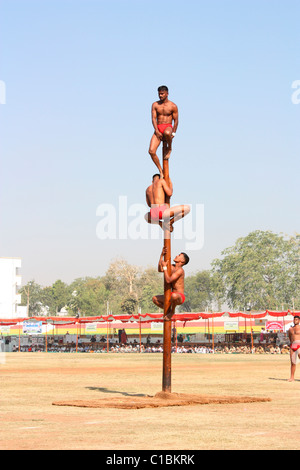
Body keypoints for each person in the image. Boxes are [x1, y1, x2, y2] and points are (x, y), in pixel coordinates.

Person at [148, 85, 178, 179]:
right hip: (158, 128)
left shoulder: (173, 106)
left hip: (168, 127)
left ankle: (170, 148)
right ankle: (160, 170)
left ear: (167, 94)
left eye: (162, 94)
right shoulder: (155, 105)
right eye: (159, 94)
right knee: (151, 151)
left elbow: (176, 120)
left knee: (168, 133)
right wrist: (156, 130)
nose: (160, 95)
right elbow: (153, 118)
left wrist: (174, 132)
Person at [152, 247, 189, 319]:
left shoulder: (180, 270)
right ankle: (167, 309)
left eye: (179, 255)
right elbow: (160, 269)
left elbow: (168, 280)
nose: (176, 256)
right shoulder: (171, 267)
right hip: (170, 296)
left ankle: (172, 311)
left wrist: (165, 267)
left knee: (174, 296)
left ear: (182, 261)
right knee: (154, 299)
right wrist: (161, 255)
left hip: (179, 297)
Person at [288, 315, 300, 382]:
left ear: (299, 321)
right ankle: (292, 377)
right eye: (294, 319)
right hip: (293, 346)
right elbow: (290, 337)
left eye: (296, 319)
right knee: (293, 362)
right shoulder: (290, 329)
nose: (295, 320)